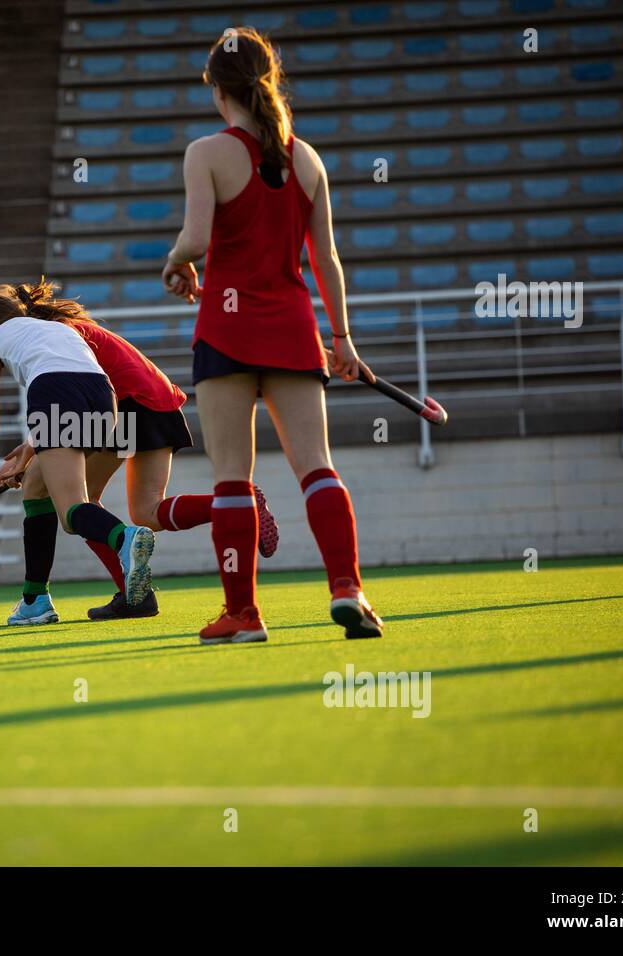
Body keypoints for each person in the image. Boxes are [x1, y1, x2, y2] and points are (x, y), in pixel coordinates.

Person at [161, 27, 384, 645]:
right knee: (317, 466)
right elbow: (327, 260)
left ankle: (244, 616)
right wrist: (342, 340)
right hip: (292, 327)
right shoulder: (306, 158)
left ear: (216, 88)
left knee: (232, 476)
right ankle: (349, 591)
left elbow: (198, 239)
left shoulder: (206, 152)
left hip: (227, 330)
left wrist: (175, 261)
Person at [0, 283, 280, 623]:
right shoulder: (63, 332)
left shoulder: (56, 335)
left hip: (126, 408)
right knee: (147, 511)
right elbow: (64, 417)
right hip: (157, 402)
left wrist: (30, 455)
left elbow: (66, 403)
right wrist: (29, 450)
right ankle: (236, 505)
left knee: (63, 498)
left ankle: (42, 599)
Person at [0, 280, 156, 623]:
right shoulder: (54, 330)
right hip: (104, 396)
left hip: (55, 391)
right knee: (36, 485)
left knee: (71, 513)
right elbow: (68, 394)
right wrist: (15, 466)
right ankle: (35, 599)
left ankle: (125, 538)